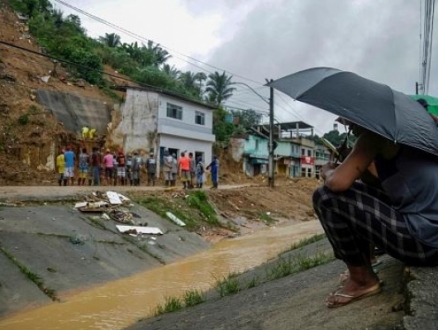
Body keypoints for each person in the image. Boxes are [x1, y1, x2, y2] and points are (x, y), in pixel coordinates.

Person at [313, 119, 438, 308]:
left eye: (349, 120)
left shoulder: (375, 135)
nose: (350, 127)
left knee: (326, 197)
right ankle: (363, 266)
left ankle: (362, 280)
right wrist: (355, 161)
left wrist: (329, 171)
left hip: (427, 242)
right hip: (432, 234)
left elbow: (338, 183)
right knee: (356, 192)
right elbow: (393, 188)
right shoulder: (419, 136)